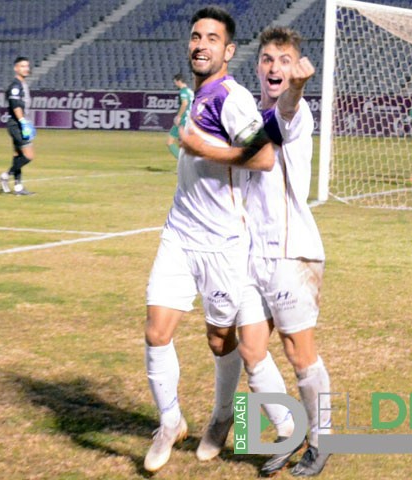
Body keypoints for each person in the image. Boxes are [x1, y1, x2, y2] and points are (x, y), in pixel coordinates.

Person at [181, 26, 332, 477]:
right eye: (267, 59)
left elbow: (286, 108)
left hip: (290, 253)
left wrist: (298, 88)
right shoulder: (247, 114)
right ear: (257, 65)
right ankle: (287, 432)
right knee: (250, 350)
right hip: (249, 256)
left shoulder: (295, 115)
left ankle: (322, 439)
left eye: (283, 61)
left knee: (298, 352)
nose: (274, 67)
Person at [142, 6, 280, 473]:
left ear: (229, 50)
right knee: (156, 332)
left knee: (220, 340)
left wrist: (204, 148)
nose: (201, 44)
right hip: (179, 233)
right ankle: (169, 422)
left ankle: (221, 416)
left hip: (222, 243)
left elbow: (263, 158)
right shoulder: (198, 94)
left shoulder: (232, 98)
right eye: (196, 36)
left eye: (212, 38)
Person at [0, 56, 35, 196]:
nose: (26, 68)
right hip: (16, 124)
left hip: (18, 122)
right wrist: (22, 122)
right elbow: (15, 105)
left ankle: (18, 187)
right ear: (16, 68)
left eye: (27, 66)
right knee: (28, 156)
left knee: (18, 155)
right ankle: (5, 176)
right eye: (22, 66)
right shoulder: (15, 85)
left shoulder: (22, 83)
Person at [166, 73, 194, 159]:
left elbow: (184, 103)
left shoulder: (183, 91)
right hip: (190, 120)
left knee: (170, 142)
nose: (175, 84)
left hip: (183, 119)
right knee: (183, 144)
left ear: (179, 81)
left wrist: (178, 116)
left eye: (175, 82)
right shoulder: (190, 91)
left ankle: (182, 163)